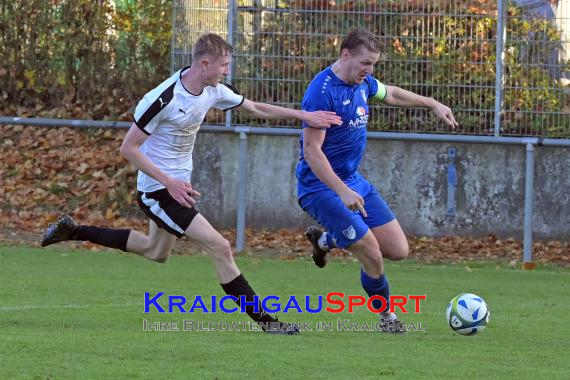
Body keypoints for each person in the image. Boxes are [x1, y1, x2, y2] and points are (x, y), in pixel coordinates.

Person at [40, 32, 341, 335]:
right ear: (205, 64)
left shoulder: (214, 90)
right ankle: (268, 324)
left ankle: (73, 230)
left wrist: (305, 115)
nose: (227, 71)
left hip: (177, 186)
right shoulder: (164, 98)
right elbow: (127, 149)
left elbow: (255, 107)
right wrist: (169, 182)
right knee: (221, 247)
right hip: (159, 191)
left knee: (156, 251)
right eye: (224, 65)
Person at [297, 28, 458, 332]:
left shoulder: (363, 83)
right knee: (371, 251)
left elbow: (392, 93)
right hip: (320, 188)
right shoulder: (322, 92)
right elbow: (312, 151)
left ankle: (325, 240)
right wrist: (341, 191)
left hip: (353, 182)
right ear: (346, 56)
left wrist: (431, 102)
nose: (369, 71)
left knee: (398, 250)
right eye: (365, 63)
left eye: (373, 65)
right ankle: (387, 318)